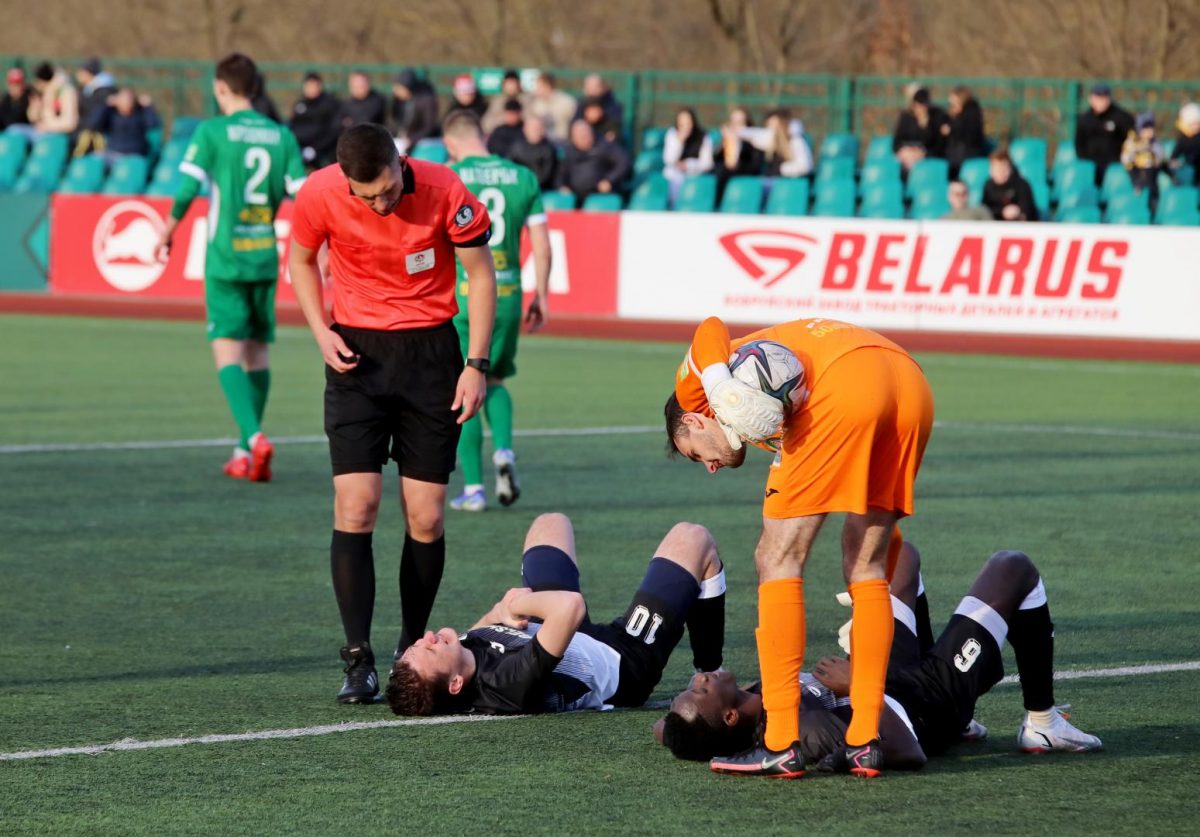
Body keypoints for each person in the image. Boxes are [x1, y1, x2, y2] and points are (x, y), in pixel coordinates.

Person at [663, 315, 935, 777]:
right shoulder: (760, 414)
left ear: (693, 419)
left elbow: (708, 327)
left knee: (776, 557)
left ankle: (780, 742)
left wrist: (718, 384)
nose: (709, 466)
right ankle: (865, 741)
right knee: (866, 566)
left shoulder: (697, 393)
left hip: (843, 387)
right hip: (910, 384)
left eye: (695, 452)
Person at [287, 122, 497, 705]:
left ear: (401, 161)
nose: (379, 203)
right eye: (366, 195)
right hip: (356, 358)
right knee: (356, 505)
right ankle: (357, 660)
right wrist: (319, 331)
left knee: (425, 517)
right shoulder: (318, 193)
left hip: (432, 358)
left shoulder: (446, 189)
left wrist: (475, 363)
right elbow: (302, 262)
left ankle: (411, 646)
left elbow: (481, 276)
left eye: (386, 189)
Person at [657, 541, 1103, 767]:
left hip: (889, 673)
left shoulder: (744, 709)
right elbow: (909, 754)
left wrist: (681, 731)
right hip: (930, 703)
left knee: (896, 555)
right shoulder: (805, 728)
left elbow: (672, 729)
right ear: (731, 717)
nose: (700, 678)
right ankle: (1042, 725)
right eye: (700, 689)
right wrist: (858, 684)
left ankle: (966, 706)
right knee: (1013, 567)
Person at [386, 512, 727, 716]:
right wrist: (514, 606)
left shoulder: (459, 658)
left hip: (565, 635)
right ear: (456, 684)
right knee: (694, 538)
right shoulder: (507, 683)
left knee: (549, 524)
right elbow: (569, 608)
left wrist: (497, 612)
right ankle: (710, 670)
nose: (429, 637)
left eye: (420, 643)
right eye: (430, 649)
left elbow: (477, 632)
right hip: (624, 661)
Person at [156, 53, 307, 483]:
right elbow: (302, 196)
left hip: (225, 256)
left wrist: (168, 230)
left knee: (227, 347)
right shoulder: (281, 136)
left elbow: (188, 186)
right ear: (256, 88)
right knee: (258, 350)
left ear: (221, 88)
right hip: (263, 255)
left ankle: (255, 437)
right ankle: (243, 449)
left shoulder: (212, 131)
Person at [443, 110, 550, 513]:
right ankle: (503, 451)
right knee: (497, 378)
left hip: (462, 294)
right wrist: (541, 294)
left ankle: (473, 488)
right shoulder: (523, 177)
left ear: (452, 142)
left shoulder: (450, 176)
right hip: (506, 294)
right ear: (482, 136)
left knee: (464, 384)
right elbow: (542, 245)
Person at [557, 119, 630, 206]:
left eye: (586, 134)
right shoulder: (567, 151)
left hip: (600, 195)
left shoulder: (604, 146)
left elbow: (624, 162)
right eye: (580, 136)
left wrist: (609, 180)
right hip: (575, 197)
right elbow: (560, 173)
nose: (584, 138)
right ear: (573, 138)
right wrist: (561, 186)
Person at [1075, 83, 1134, 186]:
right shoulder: (1085, 119)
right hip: (1091, 166)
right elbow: (1079, 143)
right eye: (1098, 98)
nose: (1101, 102)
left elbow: (1131, 139)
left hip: (1115, 167)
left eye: (1103, 98)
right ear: (1091, 99)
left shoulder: (1121, 118)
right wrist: (1085, 162)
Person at [661, 107, 714, 206]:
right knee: (673, 177)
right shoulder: (672, 134)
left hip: (696, 175)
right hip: (674, 175)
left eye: (688, 122)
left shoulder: (703, 136)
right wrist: (679, 141)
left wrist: (688, 165)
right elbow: (668, 160)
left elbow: (707, 164)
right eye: (682, 123)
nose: (685, 126)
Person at [742, 108, 814, 179]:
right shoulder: (769, 141)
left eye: (775, 125)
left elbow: (805, 167)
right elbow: (754, 135)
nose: (771, 130)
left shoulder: (796, 141)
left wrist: (781, 169)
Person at [289, 71, 341, 169]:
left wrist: (315, 149)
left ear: (320, 86)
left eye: (314, 85)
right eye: (308, 86)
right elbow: (293, 126)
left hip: (322, 151)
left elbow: (333, 131)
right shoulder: (300, 104)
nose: (311, 89)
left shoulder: (329, 104)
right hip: (300, 148)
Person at [713, 107, 765, 202]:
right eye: (733, 122)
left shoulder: (754, 143)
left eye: (740, 123)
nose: (735, 126)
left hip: (744, 182)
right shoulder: (724, 143)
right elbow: (714, 161)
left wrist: (736, 166)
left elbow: (755, 167)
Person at [892, 84, 948, 172]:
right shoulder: (905, 118)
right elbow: (896, 143)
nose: (919, 110)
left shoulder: (937, 117)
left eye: (922, 107)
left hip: (926, 158)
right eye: (917, 106)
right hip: (907, 154)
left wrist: (925, 126)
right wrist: (907, 149)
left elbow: (938, 145)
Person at [93, 87, 160, 160]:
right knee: (94, 159)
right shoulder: (111, 114)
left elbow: (152, 125)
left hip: (135, 155)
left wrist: (148, 107)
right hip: (113, 154)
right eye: (123, 99)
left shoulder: (140, 114)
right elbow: (94, 125)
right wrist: (105, 105)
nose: (126, 102)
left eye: (129, 99)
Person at [389, 69, 440, 153]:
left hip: (422, 143)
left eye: (398, 87)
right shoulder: (398, 101)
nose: (395, 90)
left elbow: (428, 127)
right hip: (402, 140)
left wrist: (411, 139)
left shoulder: (427, 101)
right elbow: (395, 122)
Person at [1121, 112, 1165, 209]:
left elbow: (1160, 157)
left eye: (1151, 128)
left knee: (1152, 172)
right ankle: (1137, 186)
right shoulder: (1133, 141)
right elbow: (1126, 157)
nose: (1149, 131)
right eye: (1145, 128)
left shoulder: (1155, 143)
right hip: (1136, 169)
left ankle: (1153, 201)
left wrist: (1152, 154)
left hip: (1151, 171)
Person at [982, 147, 1038, 221]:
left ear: (1010, 168)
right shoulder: (988, 185)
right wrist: (1002, 212)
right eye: (996, 168)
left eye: (1003, 168)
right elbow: (984, 210)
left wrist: (1018, 212)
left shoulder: (1021, 185)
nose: (1000, 172)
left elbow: (1028, 210)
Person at [942, 86, 986, 179]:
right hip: (955, 154)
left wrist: (951, 129)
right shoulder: (954, 113)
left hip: (967, 153)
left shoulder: (972, 112)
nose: (951, 102)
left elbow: (968, 132)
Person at [27, 62, 79, 136]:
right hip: (43, 132)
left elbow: (69, 123)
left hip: (58, 136)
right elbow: (33, 119)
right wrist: (35, 107)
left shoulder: (65, 91)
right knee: (15, 130)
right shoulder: (43, 93)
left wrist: (48, 127)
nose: (36, 84)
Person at [507, 114, 558, 190]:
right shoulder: (516, 148)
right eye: (533, 128)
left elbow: (545, 176)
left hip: (541, 189)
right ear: (525, 129)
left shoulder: (549, 149)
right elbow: (509, 169)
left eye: (538, 128)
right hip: (519, 187)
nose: (536, 131)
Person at [527, 72, 576, 144]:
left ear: (547, 86)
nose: (535, 89)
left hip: (563, 143)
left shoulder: (567, 102)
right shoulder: (535, 105)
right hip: (543, 145)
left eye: (538, 86)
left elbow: (575, 124)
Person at [74, 57, 116, 135]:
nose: (78, 75)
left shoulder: (103, 92)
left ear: (88, 73)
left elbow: (95, 119)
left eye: (81, 72)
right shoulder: (86, 89)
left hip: (97, 134)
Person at [481, 69, 527, 135]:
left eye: (513, 83)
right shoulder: (497, 102)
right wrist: (505, 119)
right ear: (503, 85)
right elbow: (486, 124)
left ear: (519, 84)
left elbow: (531, 120)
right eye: (509, 83)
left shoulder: (526, 101)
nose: (511, 87)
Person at [1169, 102, 1200, 186]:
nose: (1196, 127)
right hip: (1189, 166)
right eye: (1193, 124)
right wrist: (1175, 162)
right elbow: (1174, 155)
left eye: (1197, 124)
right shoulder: (1182, 139)